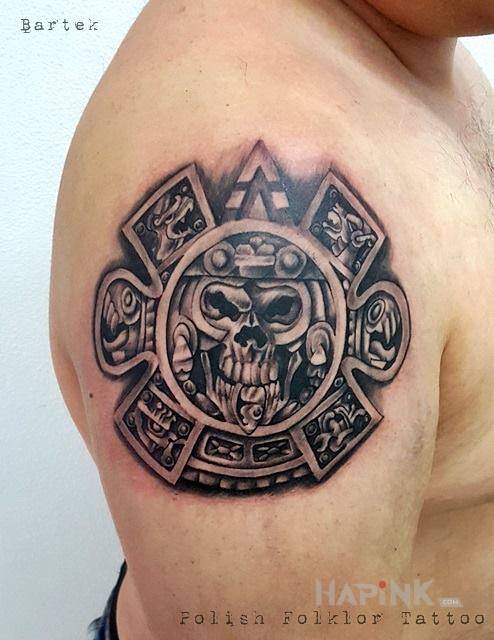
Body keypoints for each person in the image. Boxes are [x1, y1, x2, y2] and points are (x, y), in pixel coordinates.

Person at [50, 1, 494, 638]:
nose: (250, 338)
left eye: (282, 309)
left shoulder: (412, 41)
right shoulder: (268, 124)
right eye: (222, 307)